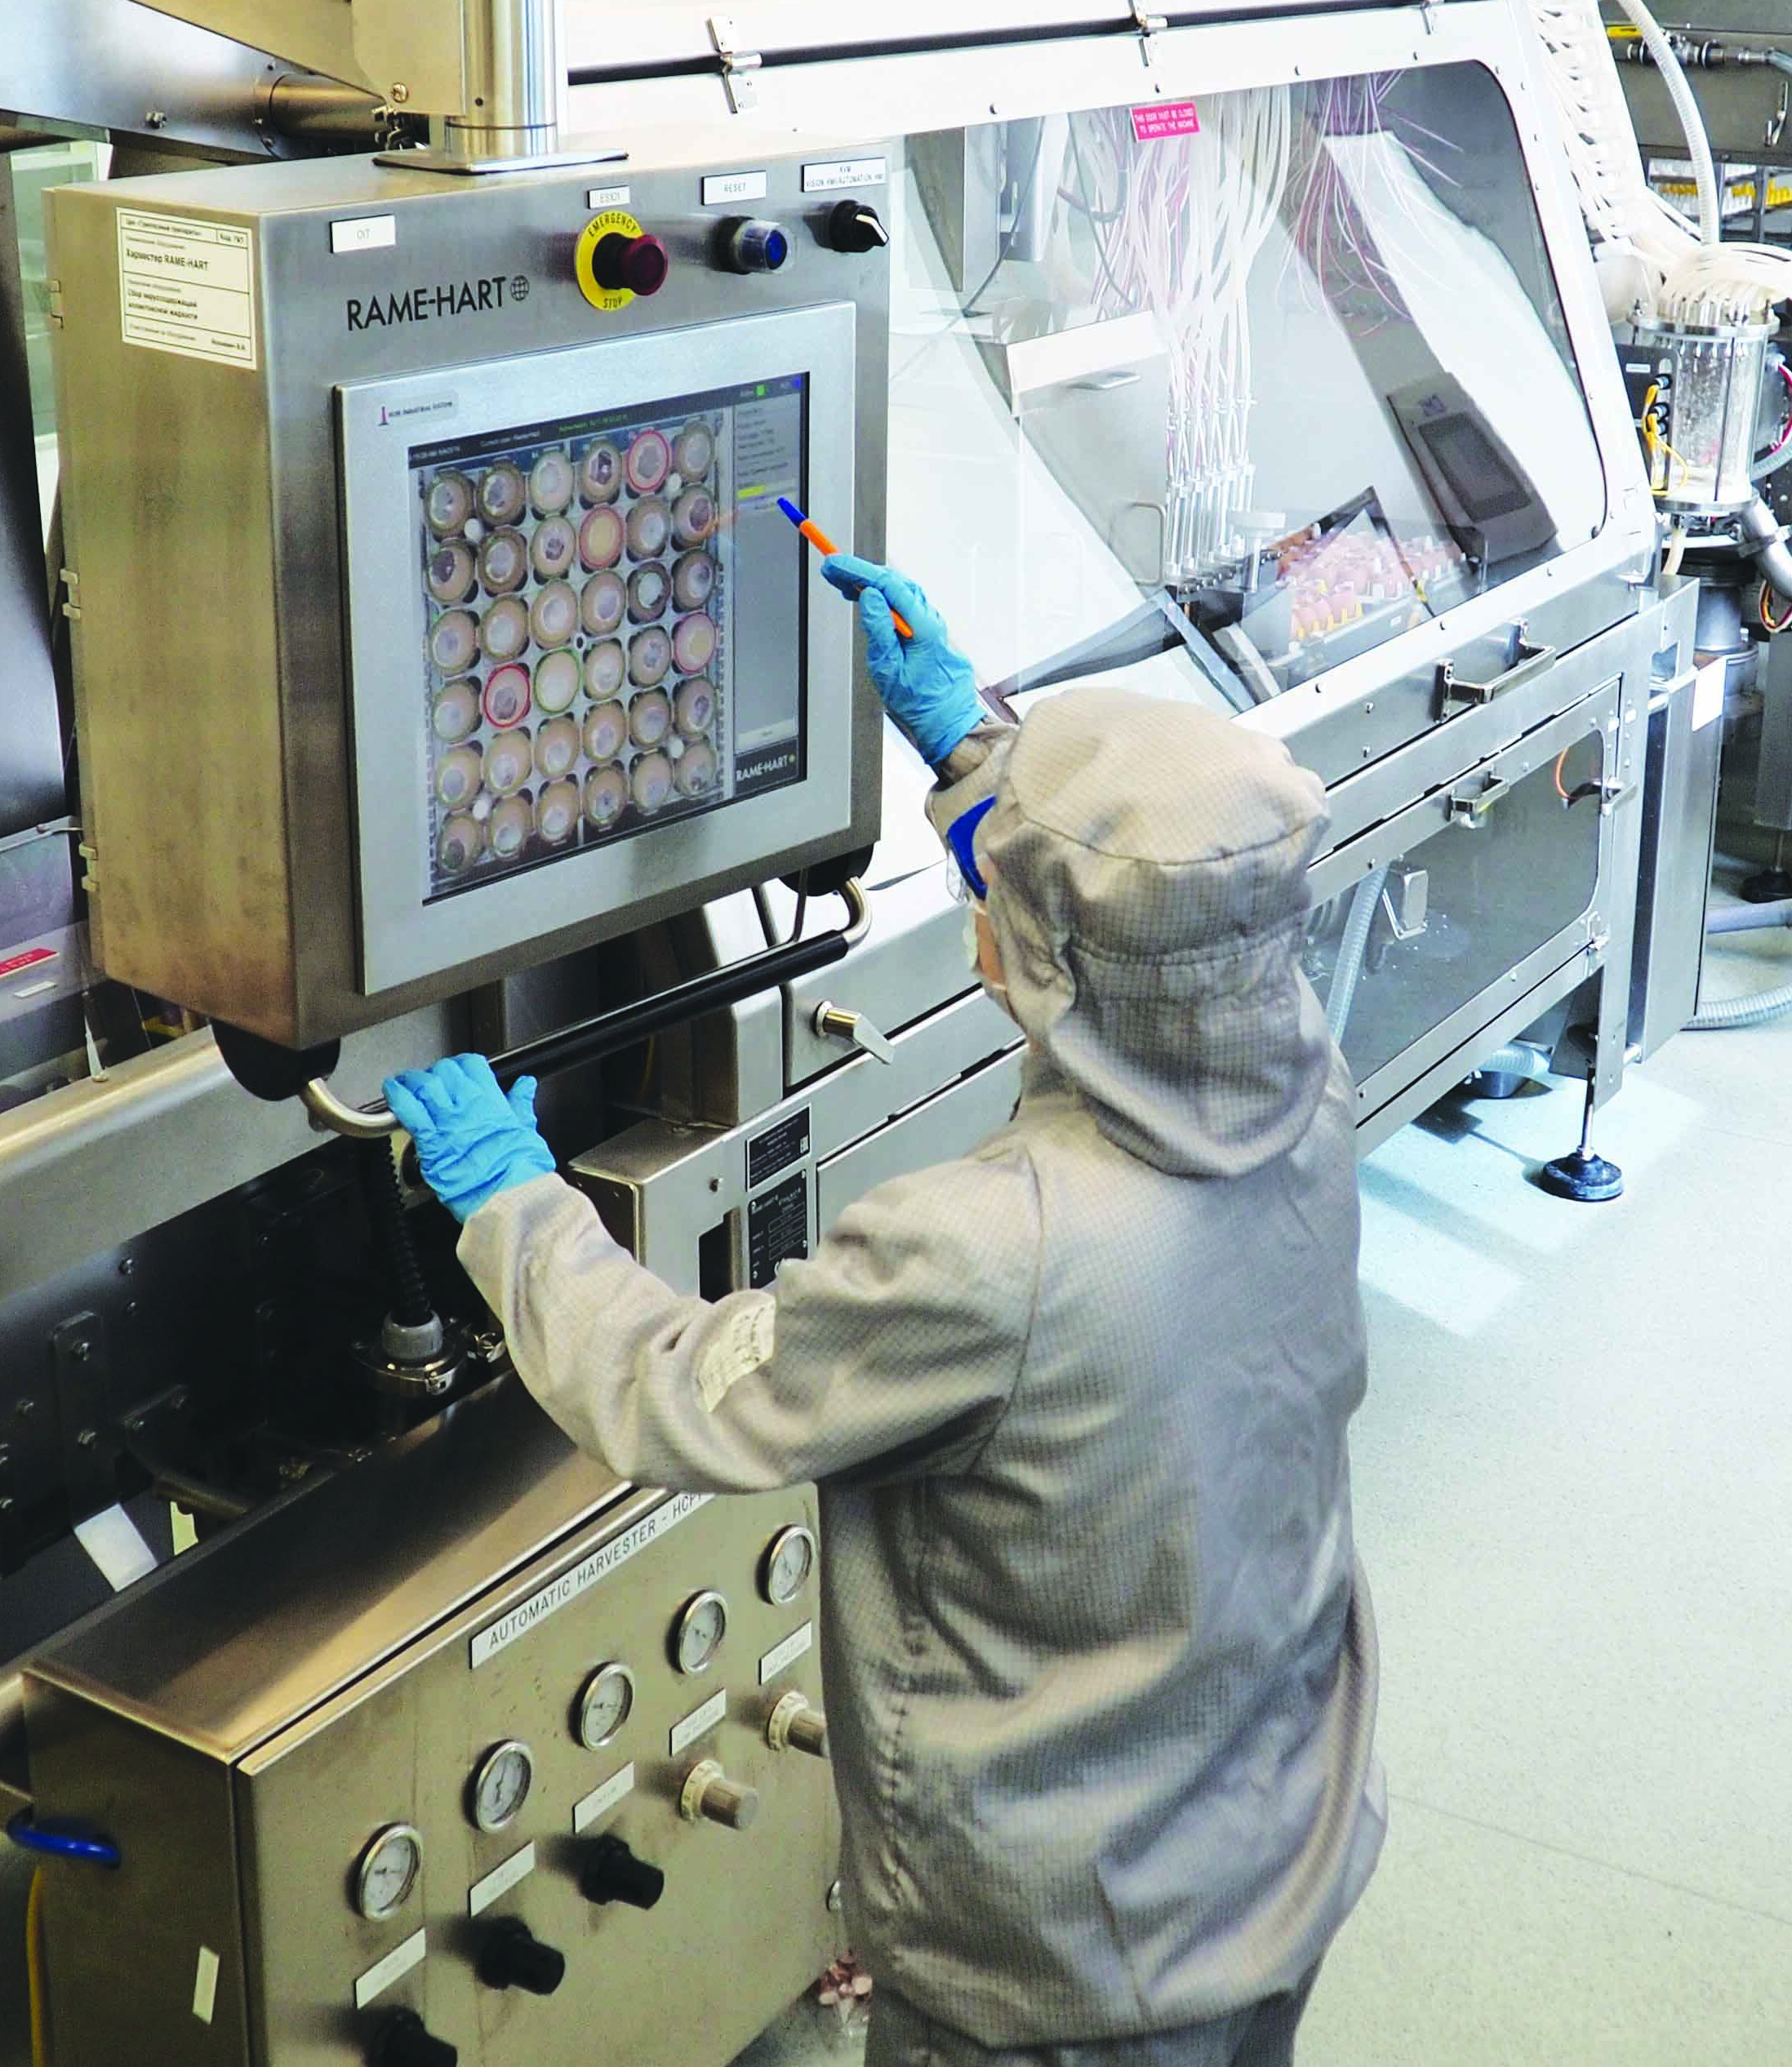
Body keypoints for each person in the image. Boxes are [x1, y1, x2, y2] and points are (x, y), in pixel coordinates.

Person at [385, 550, 1384, 2067]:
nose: (980, 910)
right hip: (1274, 1839)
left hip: (1067, 1950)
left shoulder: (989, 1246)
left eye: (1000, 891)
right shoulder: (1300, 1087)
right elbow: (1136, 924)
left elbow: (671, 1388)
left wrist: (512, 1203)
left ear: (1036, 960)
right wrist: (972, 745)